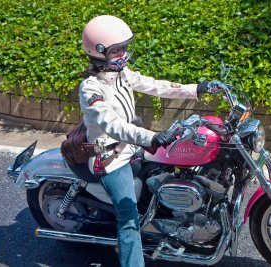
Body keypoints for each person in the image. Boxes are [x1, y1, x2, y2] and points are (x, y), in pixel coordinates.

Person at [80, 15, 219, 267]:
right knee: (128, 218)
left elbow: (157, 86)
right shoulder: (90, 89)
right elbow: (113, 125)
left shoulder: (122, 75)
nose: (123, 54)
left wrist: (196, 88)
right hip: (110, 158)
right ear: (99, 52)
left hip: (133, 146)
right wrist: (152, 137)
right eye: (116, 51)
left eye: (124, 48)